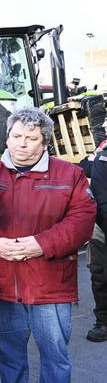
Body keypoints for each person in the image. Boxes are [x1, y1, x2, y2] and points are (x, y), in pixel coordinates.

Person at [0, 106, 96, 383]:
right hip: (3, 283)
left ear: (45, 141)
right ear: (7, 137)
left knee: (55, 358)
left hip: (50, 285)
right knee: (8, 356)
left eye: (31, 138)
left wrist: (41, 245)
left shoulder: (70, 174)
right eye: (16, 135)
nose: (22, 143)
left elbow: (81, 221)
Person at [80, 119, 107, 342]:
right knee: (100, 274)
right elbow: (102, 198)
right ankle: (103, 321)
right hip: (103, 224)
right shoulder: (103, 155)